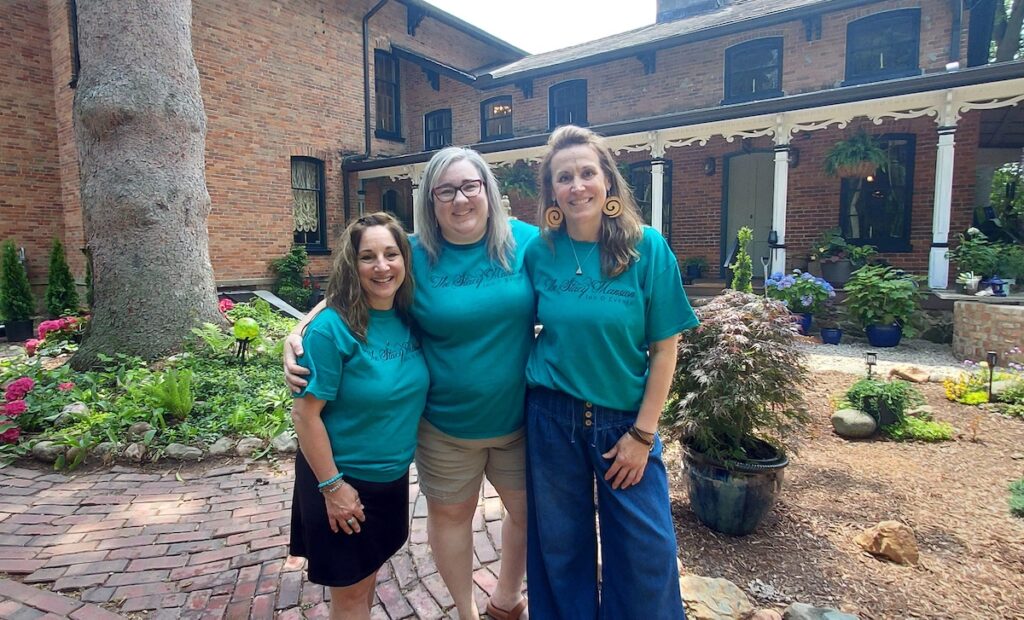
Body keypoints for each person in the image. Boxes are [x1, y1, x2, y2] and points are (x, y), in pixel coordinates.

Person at [286, 147, 536, 620]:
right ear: (431, 201)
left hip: (518, 419)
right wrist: (297, 331)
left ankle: (507, 600)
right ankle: (465, 612)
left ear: (488, 188)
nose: (460, 199)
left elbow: (573, 284)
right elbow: (353, 289)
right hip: (445, 427)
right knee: (451, 519)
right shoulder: (413, 254)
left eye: (469, 186)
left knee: (527, 515)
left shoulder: (527, 244)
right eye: (445, 190)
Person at [523, 125, 699, 619]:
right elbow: (430, 254)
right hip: (551, 420)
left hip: (624, 424)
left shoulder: (647, 249)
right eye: (564, 177)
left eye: (586, 173)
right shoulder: (538, 251)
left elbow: (666, 350)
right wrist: (321, 313)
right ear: (551, 192)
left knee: (648, 554)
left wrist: (643, 436)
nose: (577, 186)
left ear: (608, 181)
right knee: (560, 553)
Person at [288, 212, 429, 620]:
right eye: (368, 257)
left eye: (391, 254)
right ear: (353, 265)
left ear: (405, 258)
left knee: (367, 579)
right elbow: (305, 415)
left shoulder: (407, 317)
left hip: (390, 477)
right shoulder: (333, 330)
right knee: (350, 596)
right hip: (343, 479)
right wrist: (333, 488)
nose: (382, 266)